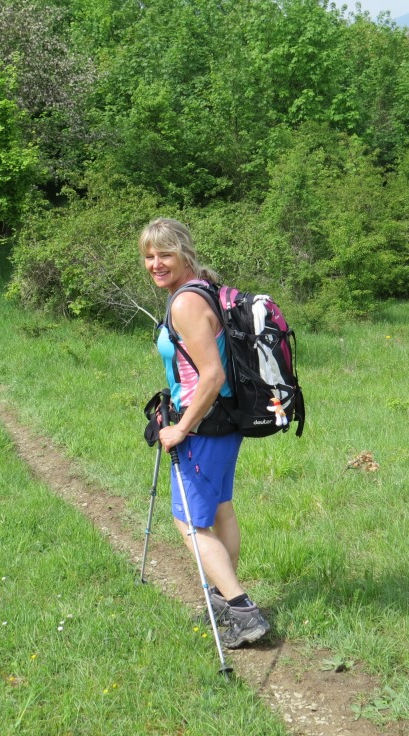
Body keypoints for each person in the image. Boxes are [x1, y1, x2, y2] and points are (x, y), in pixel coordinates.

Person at [139, 217, 271, 649]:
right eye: (149, 256)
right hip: (224, 420)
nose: (156, 264)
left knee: (190, 523)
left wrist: (181, 427)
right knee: (220, 511)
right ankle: (223, 598)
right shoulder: (205, 288)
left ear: (184, 254)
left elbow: (212, 375)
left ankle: (243, 611)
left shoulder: (186, 303)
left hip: (204, 426)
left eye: (165, 254)